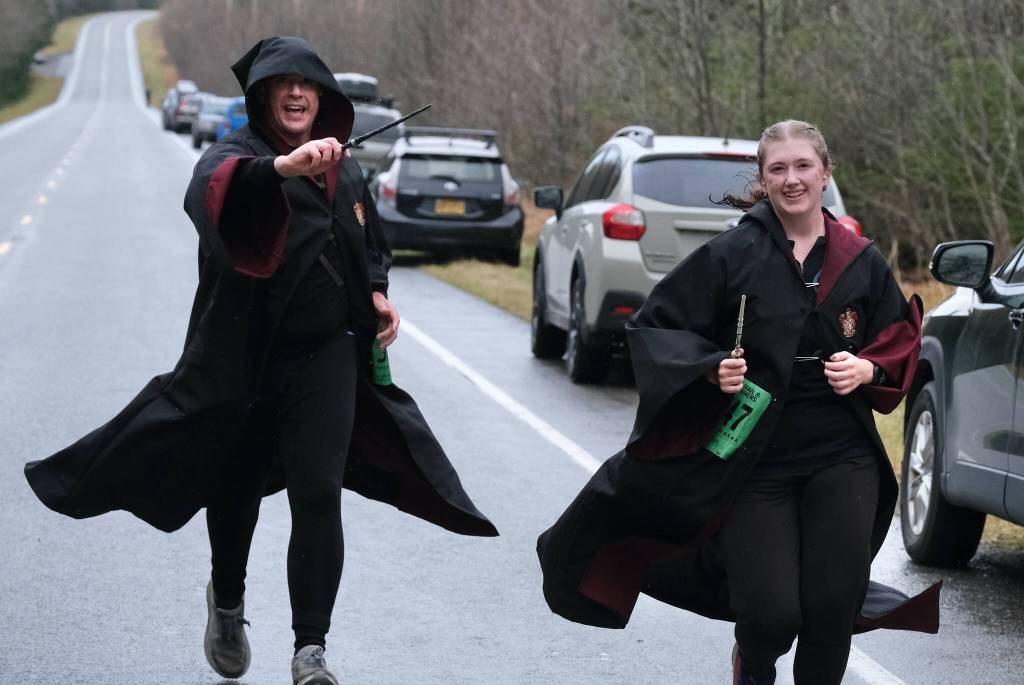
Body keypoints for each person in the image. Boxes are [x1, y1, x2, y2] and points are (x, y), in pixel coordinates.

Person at [25, 36, 497, 685]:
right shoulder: (237, 155)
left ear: (323, 97)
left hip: (326, 357)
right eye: (284, 86)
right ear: (264, 98)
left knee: (317, 490)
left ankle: (311, 650)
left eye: (309, 85)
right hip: (243, 358)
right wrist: (281, 169)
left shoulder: (345, 169)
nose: (298, 94)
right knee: (236, 488)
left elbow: (370, 244)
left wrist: (379, 293)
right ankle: (227, 600)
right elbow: (213, 192)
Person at [537, 120, 940, 685]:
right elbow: (659, 328)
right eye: (778, 168)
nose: (791, 179)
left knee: (831, 611)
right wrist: (709, 370)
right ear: (763, 178)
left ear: (825, 175)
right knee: (772, 614)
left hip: (842, 456)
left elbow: (899, 337)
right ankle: (750, 663)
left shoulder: (861, 258)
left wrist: (867, 367)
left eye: (804, 167)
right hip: (756, 459)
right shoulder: (733, 252)